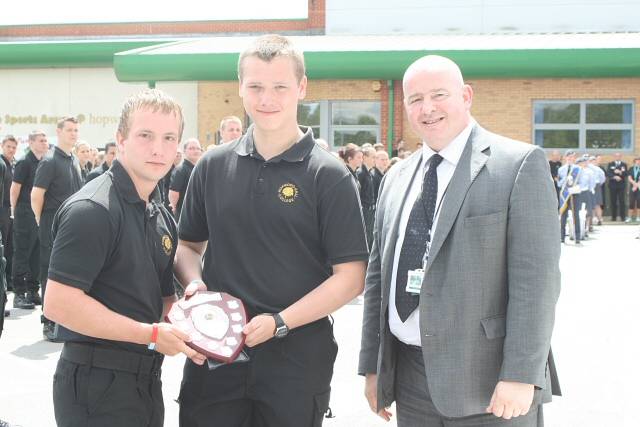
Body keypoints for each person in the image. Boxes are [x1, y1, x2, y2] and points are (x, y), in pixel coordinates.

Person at [174, 34, 368, 427]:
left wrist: (280, 322)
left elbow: (351, 278)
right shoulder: (211, 166)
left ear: (301, 87)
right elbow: (187, 247)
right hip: (215, 358)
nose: (267, 98)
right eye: (256, 86)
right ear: (240, 89)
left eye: (280, 86)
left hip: (295, 362)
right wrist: (194, 285)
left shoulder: (328, 175)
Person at [359, 55, 561, 426]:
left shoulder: (517, 165)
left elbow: (537, 282)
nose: (428, 108)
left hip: (489, 387)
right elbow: (378, 280)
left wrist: (520, 373)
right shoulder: (395, 178)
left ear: (466, 95)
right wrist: (374, 367)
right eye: (415, 99)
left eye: (439, 94)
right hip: (410, 381)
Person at [43, 89, 206, 427]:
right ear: (120, 139)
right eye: (145, 135)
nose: (158, 148)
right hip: (96, 384)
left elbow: (163, 299)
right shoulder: (92, 210)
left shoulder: (158, 210)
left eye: (168, 137)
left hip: (145, 380)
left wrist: (196, 330)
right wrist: (149, 335)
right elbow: (58, 303)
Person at [31, 116, 84, 340]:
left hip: (72, 225)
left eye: (76, 130)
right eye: (69, 130)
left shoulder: (72, 159)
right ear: (59, 132)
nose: (73, 134)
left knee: (70, 274)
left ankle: (65, 320)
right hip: (53, 223)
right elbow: (36, 195)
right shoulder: (50, 160)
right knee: (51, 273)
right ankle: (49, 321)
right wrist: (41, 220)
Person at [10, 131, 49, 310]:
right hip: (24, 212)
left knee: (37, 253)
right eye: (41, 140)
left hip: (38, 212)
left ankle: (33, 291)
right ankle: (19, 293)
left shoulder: (44, 162)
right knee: (22, 253)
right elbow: (14, 188)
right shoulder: (25, 162)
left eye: (46, 140)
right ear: (32, 142)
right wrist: (13, 211)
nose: (45, 143)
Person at [169, 138, 202, 219]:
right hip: (184, 216)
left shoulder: (199, 169)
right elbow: (173, 193)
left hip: (198, 214)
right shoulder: (180, 170)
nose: (196, 151)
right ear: (184, 151)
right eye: (192, 148)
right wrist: (174, 207)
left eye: (198, 148)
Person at [0, 136, 17, 293]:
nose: (11, 150)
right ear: (2, 146)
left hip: (10, 211)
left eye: (14, 147)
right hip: (2, 211)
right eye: (8, 146)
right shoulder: (1, 164)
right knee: (3, 247)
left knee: (10, 247)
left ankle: (8, 281)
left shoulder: (13, 164)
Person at [557, 151, 582, 244]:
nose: (570, 159)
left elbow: (582, 183)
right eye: (569, 157)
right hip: (564, 194)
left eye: (572, 157)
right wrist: (566, 179)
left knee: (576, 215)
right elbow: (559, 183)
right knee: (563, 215)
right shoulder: (561, 169)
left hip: (575, 194)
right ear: (565, 158)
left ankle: (577, 236)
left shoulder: (578, 169)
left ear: (574, 158)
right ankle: (562, 237)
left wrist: (575, 188)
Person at [607, 152, 628, 221]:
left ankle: (623, 217)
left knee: (622, 201)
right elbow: (608, 173)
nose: (617, 157)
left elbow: (626, 173)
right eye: (616, 156)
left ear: (621, 156)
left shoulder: (624, 164)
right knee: (613, 201)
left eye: (619, 156)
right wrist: (614, 176)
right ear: (614, 156)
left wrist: (620, 172)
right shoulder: (610, 164)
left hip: (621, 185)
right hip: (613, 185)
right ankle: (613, 217)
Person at [627, 157, 640, 222]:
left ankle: (638, 217)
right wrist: (634, 184)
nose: (638, 162)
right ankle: (629, 217)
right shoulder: (631, 169)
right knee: (631, 202)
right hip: (632, 188)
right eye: (636, 161)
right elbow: (629, 178)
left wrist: (637, 185)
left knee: (639, 202)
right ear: (634, 162)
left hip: (639, 188)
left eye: (639, 161)